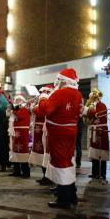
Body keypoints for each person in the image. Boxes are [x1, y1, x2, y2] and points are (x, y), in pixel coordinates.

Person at [36, 68, 83, 209]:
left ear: (63, 80)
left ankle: (64, 199)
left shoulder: (60, 93)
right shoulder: (78, 94)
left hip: (58, 132)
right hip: (71, 131)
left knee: (61, 163)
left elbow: (46, 110)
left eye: (58, 80)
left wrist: (43, 97)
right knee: (68, 161)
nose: (57, 83)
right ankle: (72, 195)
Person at [83, 88, 110, 184]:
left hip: (100, 131)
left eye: (91, 97)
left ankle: (102, 174)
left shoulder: (102, 105)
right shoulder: (94, 105)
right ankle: (94, 173)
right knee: (94, 153)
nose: (90, 99)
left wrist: (86, 111)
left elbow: (97, 114)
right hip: (94, 130)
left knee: (101, 154)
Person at [30, 85, 53, 185]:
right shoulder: (42, 101)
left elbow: (40, 113)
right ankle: (44, 176)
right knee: (42, 154)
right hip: (39, 129)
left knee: (45, 153)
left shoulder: (47, 102)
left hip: (44, 129)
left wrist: (33, 107)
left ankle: (47, 177)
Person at [7, 94, 31, 178]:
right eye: (16, 100)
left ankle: (26, 172)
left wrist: (14, 110)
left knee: (22, 151)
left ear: (22, 101)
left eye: (19, 100)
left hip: (22, 132)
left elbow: (20, 116)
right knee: (15, 151)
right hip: (15, 132)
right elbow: (8, 115)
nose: (17, 102)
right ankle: (16, 171)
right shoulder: (16, 109)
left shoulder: (25, 108)